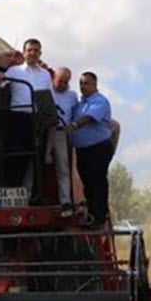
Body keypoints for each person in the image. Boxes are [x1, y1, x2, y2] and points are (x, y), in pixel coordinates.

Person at [0, 39, 51, 190]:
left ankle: (30, 194)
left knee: (36, 158)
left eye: (36, 50)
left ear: (40, 53)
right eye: (30, 50)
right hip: (18, 118)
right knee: (17, 156)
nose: (33, 53)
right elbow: (0, 84)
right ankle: (13, 190)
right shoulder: (14, 71)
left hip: (37, 119)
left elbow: (48, 96)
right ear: (24, 52)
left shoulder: (45, 75)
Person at [67, 71, 114, 226]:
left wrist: (75, 125)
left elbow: (89, 118)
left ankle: (99, 218)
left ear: (94, 84)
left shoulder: (99, 101)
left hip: (97, 149)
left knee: (97, 183)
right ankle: (91, 215)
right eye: (81, 83)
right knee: (87, 184)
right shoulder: (80, 104)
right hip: (83, 151)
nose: (83, 86)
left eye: (86, 83)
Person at [42, 66, 77, 215]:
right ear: (53, 79)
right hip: (43, 132)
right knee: (36, 164)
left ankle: (66, 201)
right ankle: (29, 196)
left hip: (61, 133)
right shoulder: (45, 91)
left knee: (63, 167)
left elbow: (75, 114)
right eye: (60, 81)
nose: (62, 84)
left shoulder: (72, 96)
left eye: (65, 82)